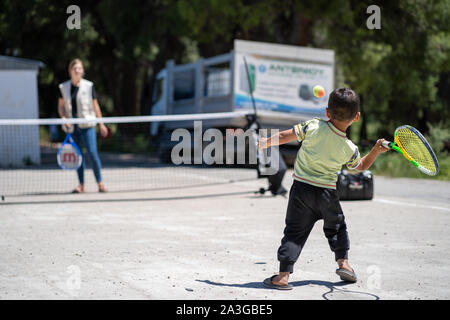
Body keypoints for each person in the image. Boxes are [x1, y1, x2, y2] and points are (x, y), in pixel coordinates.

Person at [258, 87, 389, 290]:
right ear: (357, 117)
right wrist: (376, 150)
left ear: (327, 112)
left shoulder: (313, 126)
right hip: (328, 194)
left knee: (294, 232)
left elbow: (286, 136)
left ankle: (283, 276)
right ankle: (343, 263)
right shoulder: (349, 148)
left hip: (301, 191)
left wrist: (266, 142)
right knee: (337, 227)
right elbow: (360, 167)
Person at [57, 59, 108, 193]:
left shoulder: (89, 86)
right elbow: (61, 107)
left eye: (80, 68)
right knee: (78, 156)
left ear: (83, 71)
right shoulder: (63, 87)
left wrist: (101, 124)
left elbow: (95, 106)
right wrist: (63, 119)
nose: (78, 70)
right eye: (75, 68)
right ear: (70, 71)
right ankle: (81, 185)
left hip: (87, 125)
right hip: (73, 127)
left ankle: (100, 182)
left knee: (92, 152)